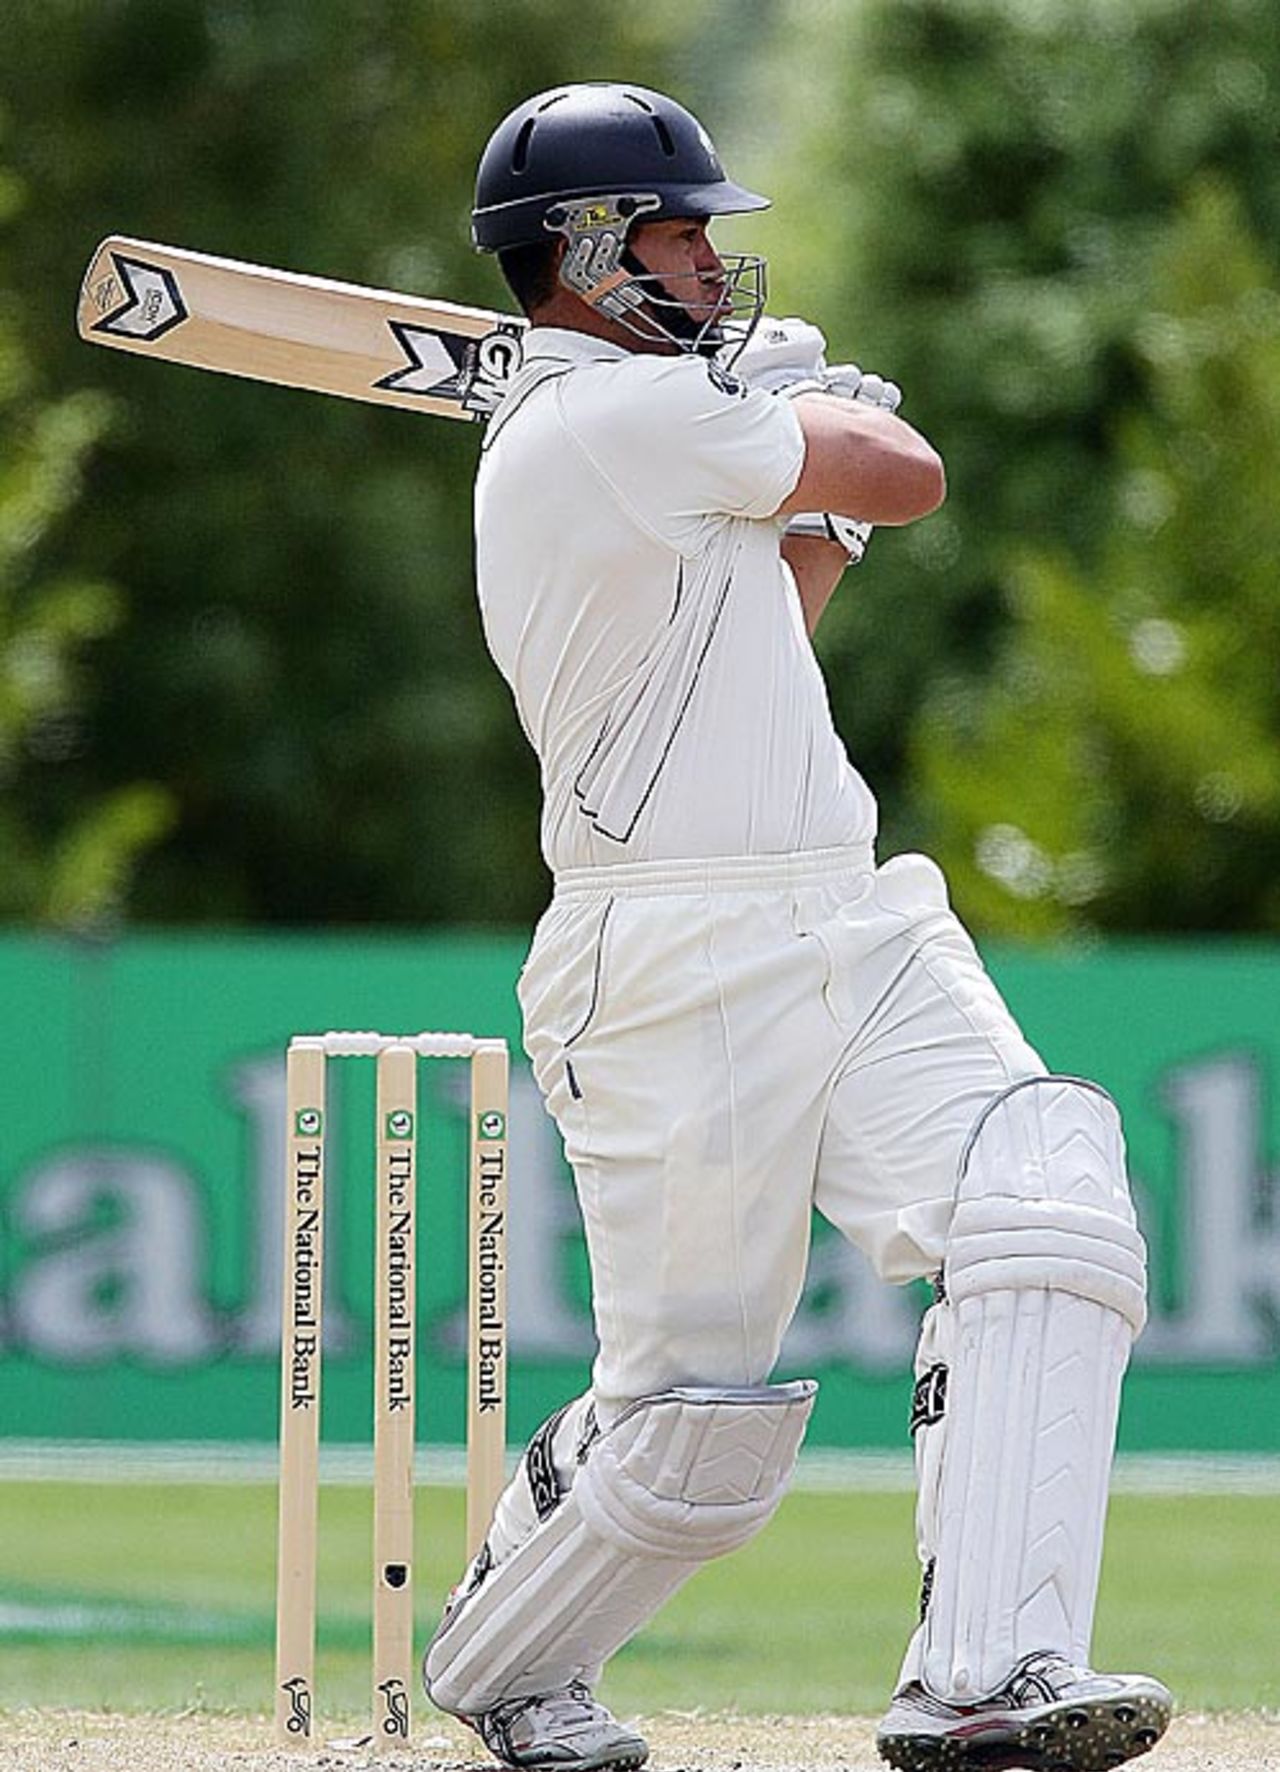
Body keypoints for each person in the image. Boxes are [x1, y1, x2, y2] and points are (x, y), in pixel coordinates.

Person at [422, 81, 1173, 1772]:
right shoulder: (607, 425)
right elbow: (910, 474)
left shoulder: (647, 429)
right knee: (692, 1427)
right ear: (594, 249)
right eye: (683, 230)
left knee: (1043, 1202)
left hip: (847, 906)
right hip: (664, 954)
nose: (710, 258)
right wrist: (803, 408)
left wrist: (793, 462)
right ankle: (507, 1661)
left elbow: (783, 606)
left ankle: (986, 1678)